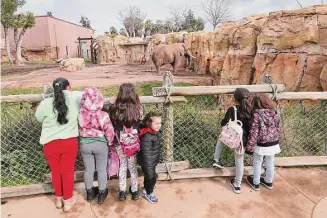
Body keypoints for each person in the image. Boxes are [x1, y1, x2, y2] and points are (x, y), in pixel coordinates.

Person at [35, 77, 82, 212]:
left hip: (50, 144)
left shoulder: (46, 103)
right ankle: (67, 202)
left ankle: (58, 200)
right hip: (69, 142)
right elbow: (88, 94)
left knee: (56, 172)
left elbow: (38, 118)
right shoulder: (75, 98)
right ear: (68, 88)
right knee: (67, 172)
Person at [78, 87, 115, 204]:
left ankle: (89, 193)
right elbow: (109, 131)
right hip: (100, 144)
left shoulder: (80, 113)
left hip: (85, 144)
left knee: (88, 170)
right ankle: (102, 193)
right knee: (101, 170)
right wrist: (110, 142)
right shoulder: (103, 114)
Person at [213, 88, 253, 194]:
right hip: (242, 141)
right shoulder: (252, 110)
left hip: (232, 137)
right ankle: (237, 185)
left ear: (235, 99)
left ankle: (216, 160)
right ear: (249, 98)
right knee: (240, 162)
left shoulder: (233, 109)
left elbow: (224, 122)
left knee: (221, 137)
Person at [108, 83, 142, 201]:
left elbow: (112, 123)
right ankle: (135, 191)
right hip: (133, 143)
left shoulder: (114, 109)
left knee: (122, 165)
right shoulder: (138, 109)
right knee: (132, 167)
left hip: (120, 143)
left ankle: (122, 192)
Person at [246, 94, 281, 191]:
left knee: (257, 162)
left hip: (262, 144)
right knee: (270, 162)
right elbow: (278, 128)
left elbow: (254, 132)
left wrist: (249, 147)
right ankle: (269, 182)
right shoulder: (275, 113)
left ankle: (256, 183)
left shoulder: (257, 115)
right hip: (273, 142)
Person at [137, 111, 162, 204]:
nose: (159, 125)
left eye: (160, 123)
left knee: (149, 176)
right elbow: (146, 153)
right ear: (149, 123)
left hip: (152, 160)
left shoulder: (154, 132)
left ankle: (146, 187)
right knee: (152, 177)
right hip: (147, 162)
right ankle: (149, 193)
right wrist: (149, 166)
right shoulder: (147, 136)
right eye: (156, 123)